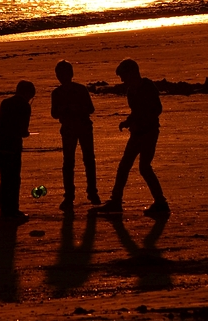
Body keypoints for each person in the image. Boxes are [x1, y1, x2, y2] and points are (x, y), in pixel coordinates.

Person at [97, 59, 170, 218]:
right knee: (124, 166)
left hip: (149, 133)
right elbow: (136, 111)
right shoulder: (131, 90)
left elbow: (156, 110)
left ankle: (161, 202)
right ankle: (116, 200)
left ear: (132, 73)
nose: (122, 80)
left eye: (123, 76)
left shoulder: (148, 87)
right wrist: (128, 122)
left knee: (144, 167)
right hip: (137, 133)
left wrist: (140, 122)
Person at [51, 60, 101, 211]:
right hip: (69, 129)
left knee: (87, 160)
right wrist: (65, 109)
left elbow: (90, 109)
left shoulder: (79, 90)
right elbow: (54, 113)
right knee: (70, 162)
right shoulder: (57, 93)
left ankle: (91, 193)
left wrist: (75, 108)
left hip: (82, 127)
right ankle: (70, 196)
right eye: (60, 74)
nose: (62, 77)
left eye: (64, 74)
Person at [0, 80, 36, 222]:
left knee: (4, 180)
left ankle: (5, 211)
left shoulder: (5, 103)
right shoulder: (24, 106)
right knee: (14, 180)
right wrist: (26, 133)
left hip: (0, 146)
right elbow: (23, 130)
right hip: (13, 147)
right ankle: (13, 211)